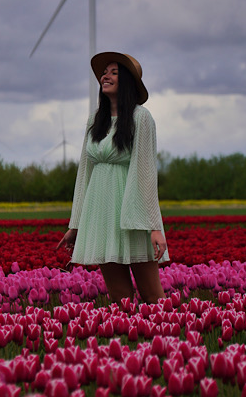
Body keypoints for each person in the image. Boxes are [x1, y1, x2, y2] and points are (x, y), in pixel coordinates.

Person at [57, 51, 169, 306]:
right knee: (121, 300)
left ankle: (167, 342)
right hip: (101, 216)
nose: (105, 76)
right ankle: (132, 344)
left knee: (152, 295)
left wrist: (153, 226)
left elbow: (146, 173)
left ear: (127, 81)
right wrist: (76, 225)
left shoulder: (141, 118)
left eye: (113, 72)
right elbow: (84, 174)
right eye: (104, 72)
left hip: (133, 215)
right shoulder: (95, 121)